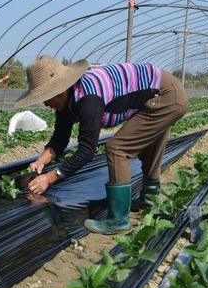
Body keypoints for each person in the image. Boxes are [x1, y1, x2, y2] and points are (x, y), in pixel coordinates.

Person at [15, 55, 188, 234]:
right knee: (147, 144)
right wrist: (42, 161)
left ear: (60, 90)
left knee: (117, 148)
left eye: (47, 97)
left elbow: (86, 152)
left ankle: (118, 220)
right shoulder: (66, 101)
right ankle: (150, 198)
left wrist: (49, 178)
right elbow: (60, 138)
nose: (45, 103)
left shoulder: (88, 99)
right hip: (158, 93)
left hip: (166, 95)